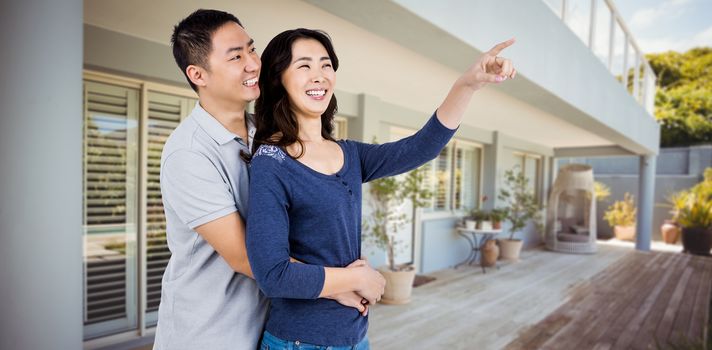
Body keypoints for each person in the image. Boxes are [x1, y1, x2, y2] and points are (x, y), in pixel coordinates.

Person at [246, 28, 516, 349]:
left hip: (355, 338)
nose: (319, 76)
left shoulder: (350, 154)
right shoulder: (272, 162)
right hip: (300, 341)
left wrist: (467, 85)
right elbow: (273, 274)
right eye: (304, 66)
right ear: (279, 80)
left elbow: (421, 148)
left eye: (326, 65)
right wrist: (359, 278)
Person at [155, 10, 383, 349]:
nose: (252, 63)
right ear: (198, 74)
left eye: (251, 49)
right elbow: (250, 259)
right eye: (236, 56)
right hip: (209, 334)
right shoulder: (189, 154)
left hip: (268, 325)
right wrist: (348, 282)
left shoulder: (264, 137)